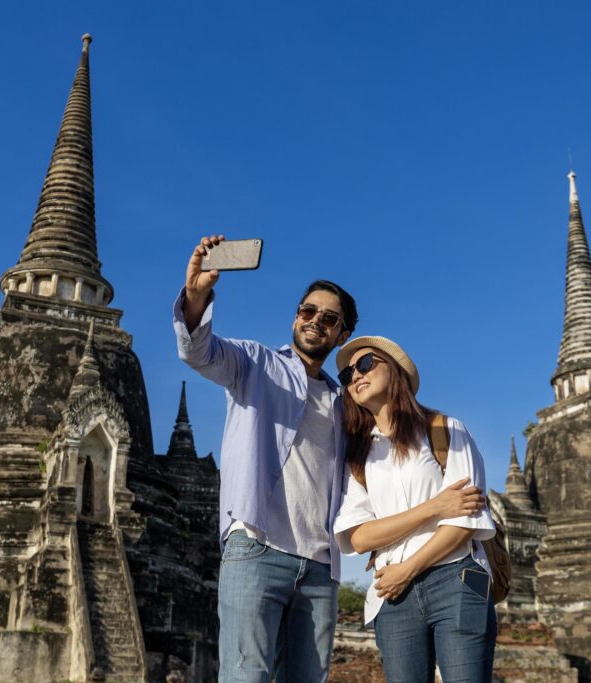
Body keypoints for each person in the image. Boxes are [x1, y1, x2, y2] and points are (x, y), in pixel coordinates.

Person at [173, 235, 357, 683]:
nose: (315, 322)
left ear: (342, 334)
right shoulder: (254, 363)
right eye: (307, 311)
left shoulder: (344, 402)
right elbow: (198, 351)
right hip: (255, 547)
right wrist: (197, 293)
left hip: (319, 565)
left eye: (328, 319)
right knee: (245, 676)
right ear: (296, 316)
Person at [333, 336, 497, 683]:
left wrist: (407, 568)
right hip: (392, 592)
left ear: (394, 371)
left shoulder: (446, 430)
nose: (355, 376)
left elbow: (464, 521)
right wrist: (433, 507)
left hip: (456, 577)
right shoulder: (358, 458)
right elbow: (360, 538)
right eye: (347, 375)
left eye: (365, 364)